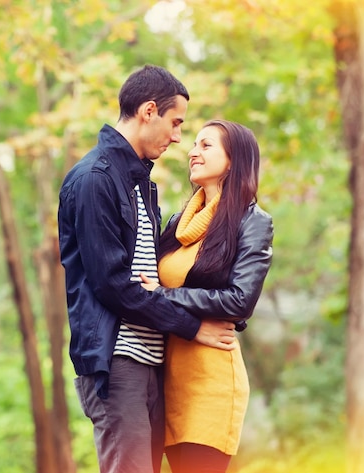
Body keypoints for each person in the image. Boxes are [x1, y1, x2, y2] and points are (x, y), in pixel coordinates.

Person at [57, 65, 237, 473]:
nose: (178, 137)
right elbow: (114, 286)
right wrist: (194, 327)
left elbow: (150, 278)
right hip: (117, 362)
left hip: (150, 363)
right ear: (148, 111)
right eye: (175, 123)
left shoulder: (141, 184)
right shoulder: (93, 179)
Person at [140, 119, 274, 473]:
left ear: (233, 160)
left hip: (212, 381)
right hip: (170, 381)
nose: (192, 152)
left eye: (206, 145)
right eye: (194, 144)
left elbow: (240, 301)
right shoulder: (177, 224)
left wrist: (166, 296)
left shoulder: (252, 222)